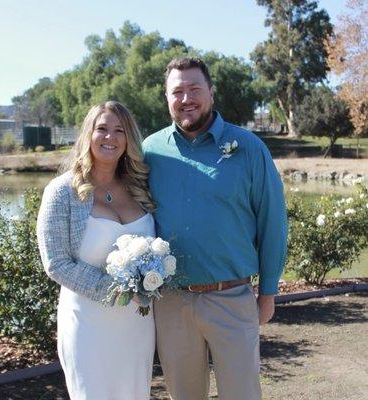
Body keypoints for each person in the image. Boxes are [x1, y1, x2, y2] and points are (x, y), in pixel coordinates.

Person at [143, 57, 288, 400]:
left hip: (232, 298)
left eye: (194, 88)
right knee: (183, 394)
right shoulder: (150, 151)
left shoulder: (249, 148)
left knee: (242, 394)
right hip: (172, 302)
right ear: (167, 98)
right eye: (177, 91)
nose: (186, 98)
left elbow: (273, 221)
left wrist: (268, 291)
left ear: (210, 91)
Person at [37, 101, 156, 400]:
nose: (110, 137)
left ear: (128, 139)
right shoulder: (62, 191)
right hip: (87, 325)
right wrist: (115, 290)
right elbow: (56, 263)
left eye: (120, 130)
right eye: (102, 128)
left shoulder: (140, 187)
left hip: (137, 325)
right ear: (87, 134)